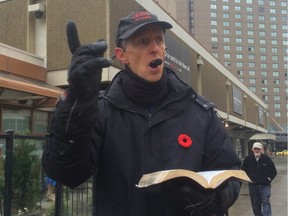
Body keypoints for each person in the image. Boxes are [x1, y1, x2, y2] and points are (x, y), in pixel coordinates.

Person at [42, 10, 242, 216]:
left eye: (159, 40)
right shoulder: (102, 111)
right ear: (122, 55)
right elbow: (66, 174)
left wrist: (214, 200)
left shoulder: (200, 112)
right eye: (143, 42)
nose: (155, 48)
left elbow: (231, 175)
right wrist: (77, 103)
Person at [241, 142, 277, 216]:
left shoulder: (267, 159)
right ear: (252, 149)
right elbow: (243, 171)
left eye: (258, 149)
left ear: (261, 149)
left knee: (266, 202)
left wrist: (269, 179)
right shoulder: (248, 159)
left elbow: (274, 172)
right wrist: (247, 179)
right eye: (255, 149)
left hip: (265, 186)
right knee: (255, 205)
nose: (257, 150)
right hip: (253, 186)